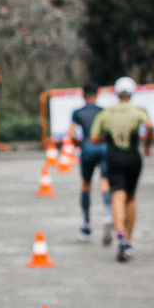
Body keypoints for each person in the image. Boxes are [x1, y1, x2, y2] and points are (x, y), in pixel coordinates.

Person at [90, 77, 152, 263]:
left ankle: (120, 238)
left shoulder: (107, 112)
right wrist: (147, 144)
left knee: (117, 195)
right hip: (133, 156)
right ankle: (130, 239)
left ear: (116, 93)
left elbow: (94, 137)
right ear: (132, 93)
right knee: (131, 197)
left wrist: (107, 139)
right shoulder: (138, 111)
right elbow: (149, 126)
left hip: (114, 157)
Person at [68, 83, 106, 239]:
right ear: (97, 94)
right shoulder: (102, 111)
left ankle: (86, 224)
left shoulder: (78, 112)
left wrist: (79, 143)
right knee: (105, 182)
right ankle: (108, 214)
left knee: (85, 184)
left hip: (87, 147)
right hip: (103, 147)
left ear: (83, 95)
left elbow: (71, 133)